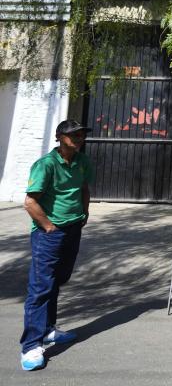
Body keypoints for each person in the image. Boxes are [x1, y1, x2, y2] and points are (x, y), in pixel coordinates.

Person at [19, 120, 95, 371]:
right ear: (60, 137)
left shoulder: (82, 162)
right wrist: (50, 227)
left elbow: (84, 188)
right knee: (41, 286)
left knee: (58, 279)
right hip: (49, 233)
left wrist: (84, 213)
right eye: (73, 134)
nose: (79, 138)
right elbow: (30, 203)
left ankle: (49, 329)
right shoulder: (46, 165)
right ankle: (31, 345)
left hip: (73, 229)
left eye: (81, 134)